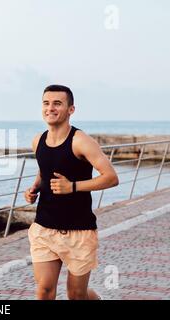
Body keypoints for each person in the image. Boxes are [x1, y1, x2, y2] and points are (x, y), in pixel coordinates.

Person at [24, 84, 119, 300]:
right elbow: (45, 168)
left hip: (79, 230)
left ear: (71, 109)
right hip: (44, 228)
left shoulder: (81, 141)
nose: (50, 108)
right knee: (44, 290)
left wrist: (72, 187)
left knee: (76, 294)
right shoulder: (38, 140)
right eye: (46, 103)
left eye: (57, 103)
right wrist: (35, 187)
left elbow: (111, 177)